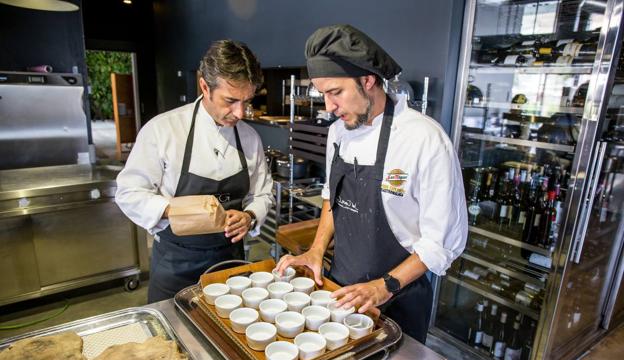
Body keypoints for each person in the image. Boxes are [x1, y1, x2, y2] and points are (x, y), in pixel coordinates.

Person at [276, 25, 467, 343]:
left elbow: (440, 243)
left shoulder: (424, 140)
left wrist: (383, 286)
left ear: (368, 80)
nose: (328, 107)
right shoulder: (338, 132)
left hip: (398, 299)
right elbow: (332, 197)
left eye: (335, 92)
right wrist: (315, 250)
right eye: (322, 94)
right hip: (340, 291)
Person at [116, 40, 274, 303]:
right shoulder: (163, 130)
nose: (240, 112)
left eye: (246, 101)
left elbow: (263, 193)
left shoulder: (249, 138)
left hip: (230, 263)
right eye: (230, 100)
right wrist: (176, 210)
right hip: (176, 264)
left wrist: (249, 216)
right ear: (204, 86)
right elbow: (128, 192)